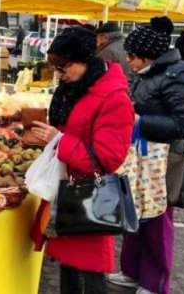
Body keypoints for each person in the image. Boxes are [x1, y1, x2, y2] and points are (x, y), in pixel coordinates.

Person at [30, 26, 135, 294]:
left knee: (89, 277)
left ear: (84, 60)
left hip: (90, 197)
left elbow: (108, 159)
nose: (60, 74)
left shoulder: (113, 98)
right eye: (57, 68)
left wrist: (60, 141)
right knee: (68, 269)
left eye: (63, 67)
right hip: (68, 192)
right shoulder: (75, 87)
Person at [108, 17, 184, 294]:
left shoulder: (178, 76)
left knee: (158, 220)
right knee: (134, 214)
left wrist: (140, 121)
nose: (129, 61)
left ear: (150, 55)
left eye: (133, 56)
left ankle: (155, 282)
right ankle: (132, 272)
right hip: (138, 156)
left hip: (165, 160)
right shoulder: (146, 72)